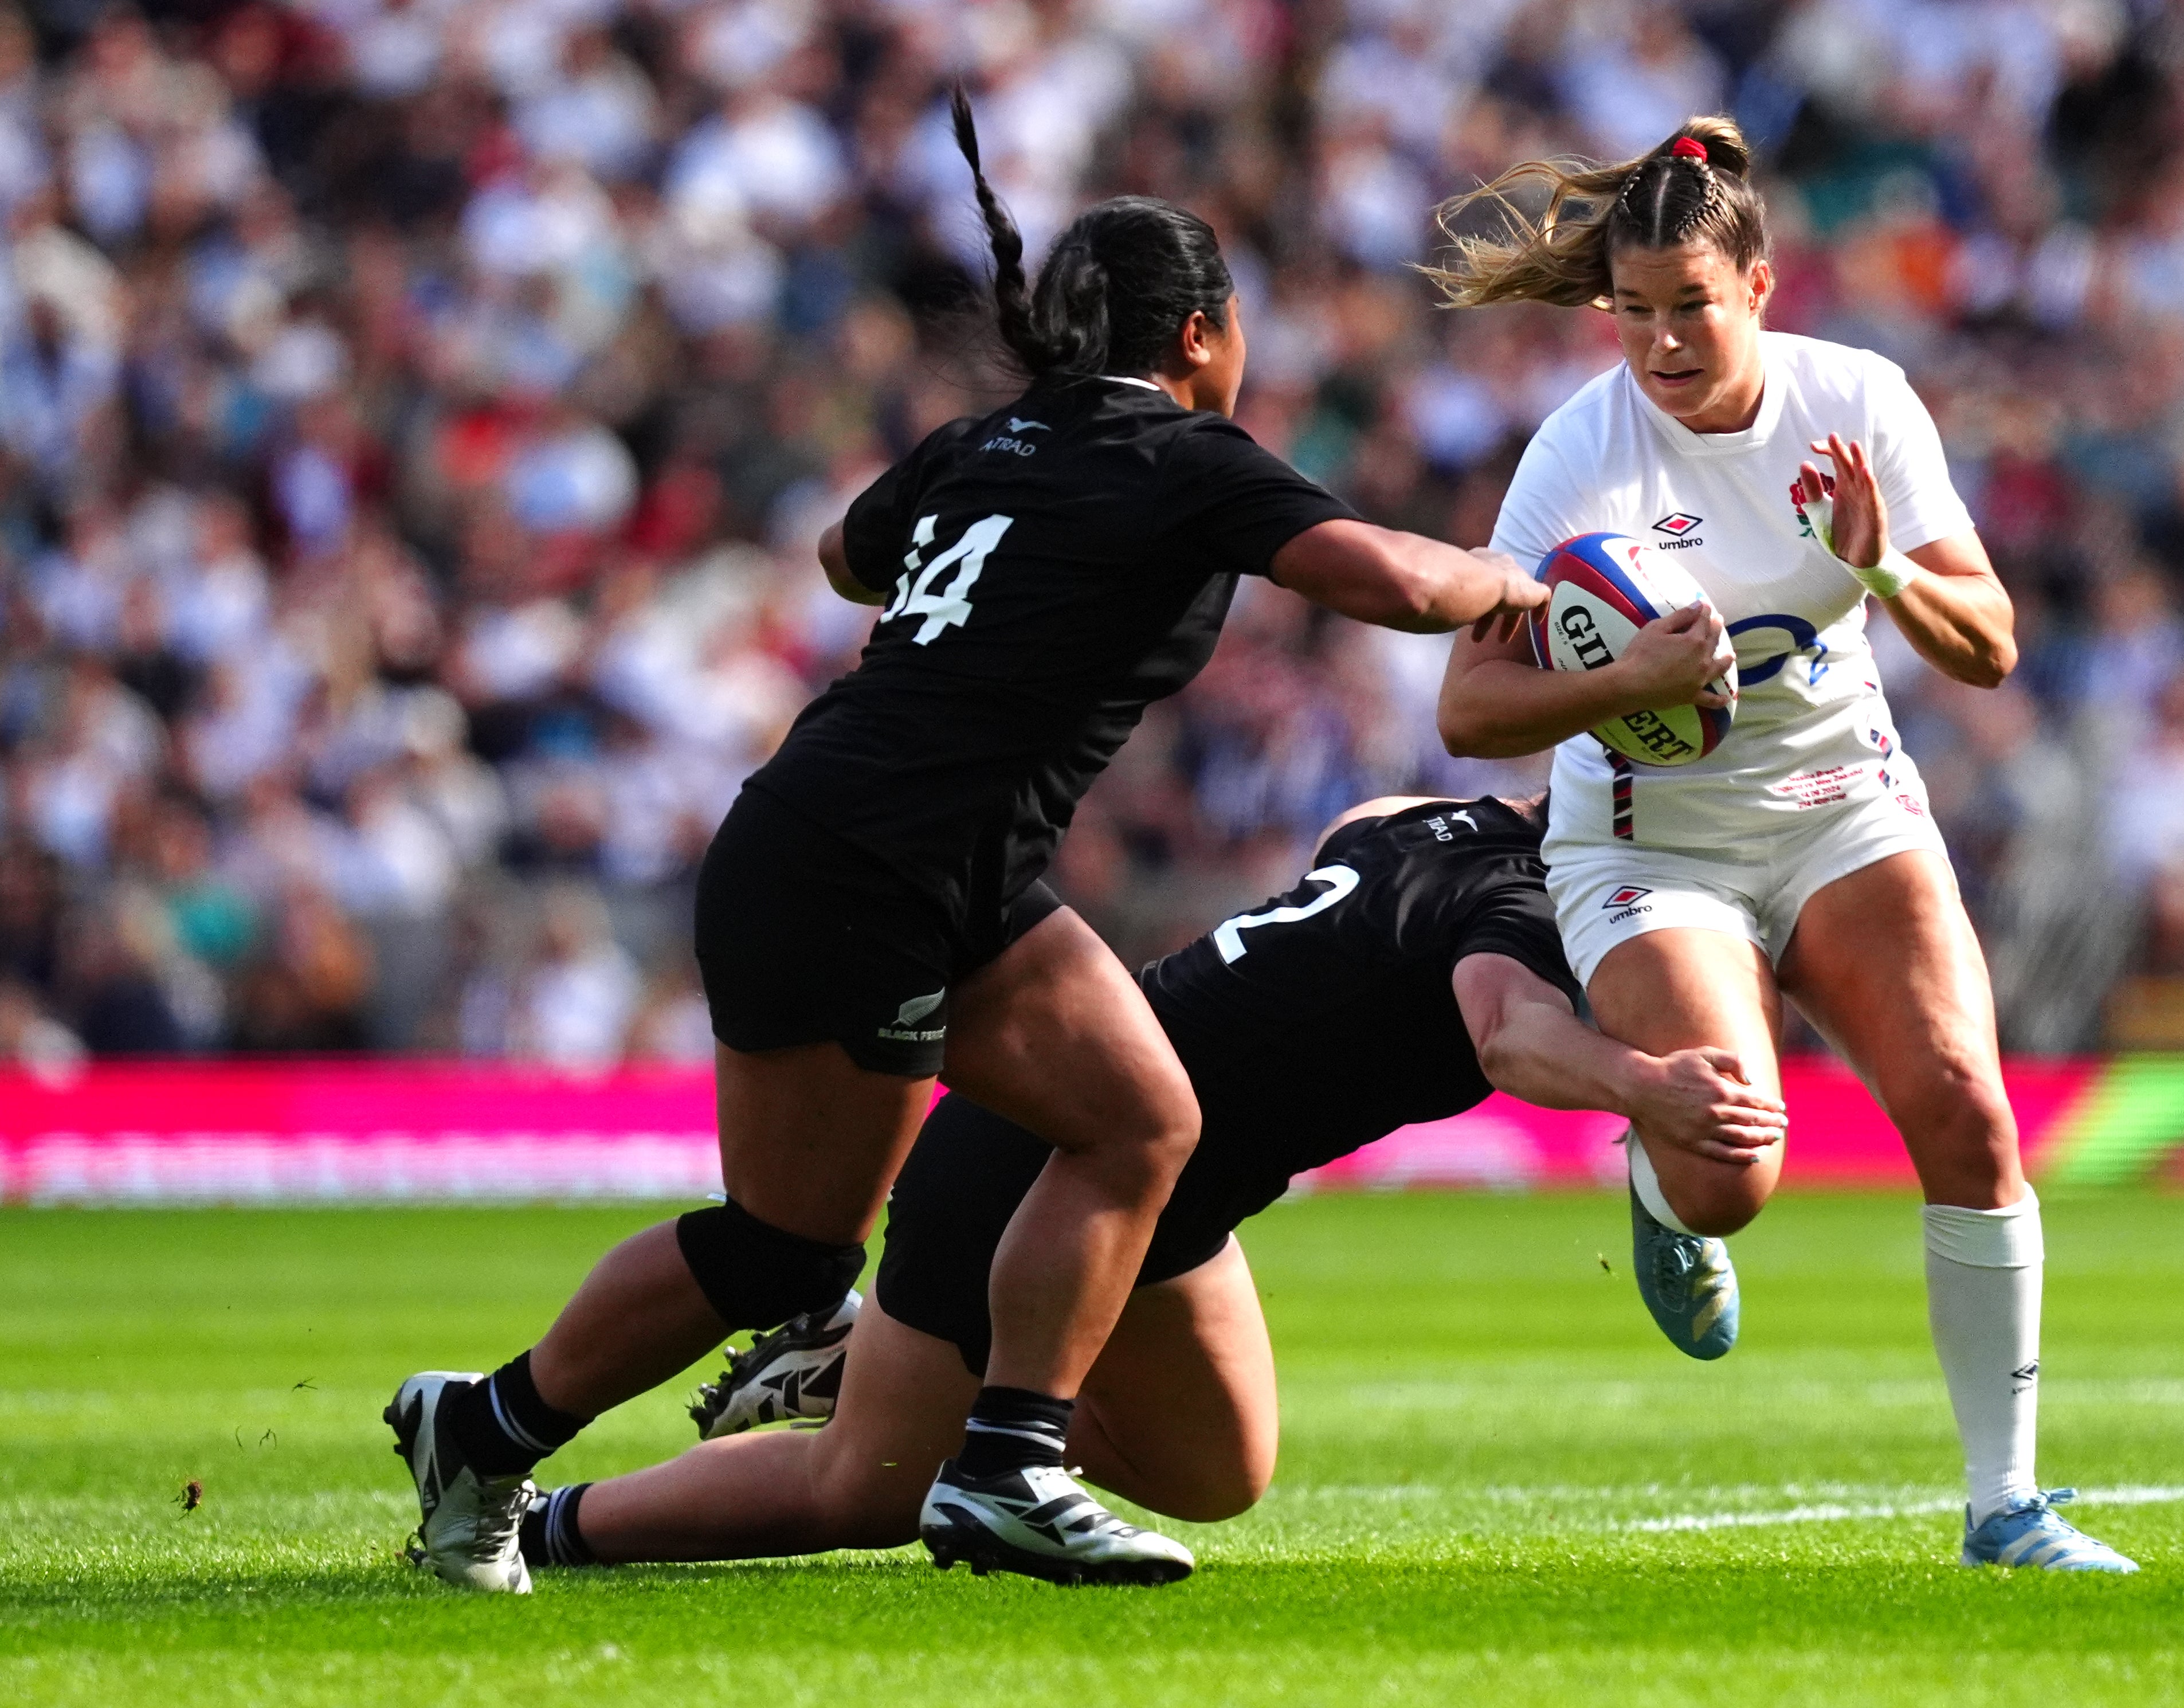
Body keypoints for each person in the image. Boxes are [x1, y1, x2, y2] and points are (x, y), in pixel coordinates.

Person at [387, 93, 1550, 1595]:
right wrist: (1501, 579)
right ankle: (483, 1426)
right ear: (1199, 334)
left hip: (909, 853)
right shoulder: (1185, 459)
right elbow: (1391, 583)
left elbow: (839, 556)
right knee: (782, 1254)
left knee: (1141, 1119)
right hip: (875, 867)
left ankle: (1007, 1463)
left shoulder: (981, 441)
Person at [1426, 119, 2138, 1573]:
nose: (1662, 342)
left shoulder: (1858, 398)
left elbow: (1990, 643)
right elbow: (1471, 705)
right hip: (1645, 842)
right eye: (1633, 311)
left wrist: (1877, 567)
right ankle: (1658, 1182)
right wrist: (1629, 682)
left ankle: (2006, 1504)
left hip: (1841, 807)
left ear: (1759, 282)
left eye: (1690, 303)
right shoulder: (1579, 449)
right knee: (1731, 1170)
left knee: (1970, 1112)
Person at [484, 794, 1782, 1578]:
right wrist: (1648, 1085)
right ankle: (551, 1526)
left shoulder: (1430, 827)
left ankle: (883, 1359)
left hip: (1159, 1183)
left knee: (1218, 1471)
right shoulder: (1524, 903)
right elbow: (1506, 1033)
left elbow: (1368, 828)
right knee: (863, 1490)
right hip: (1042, 1156)